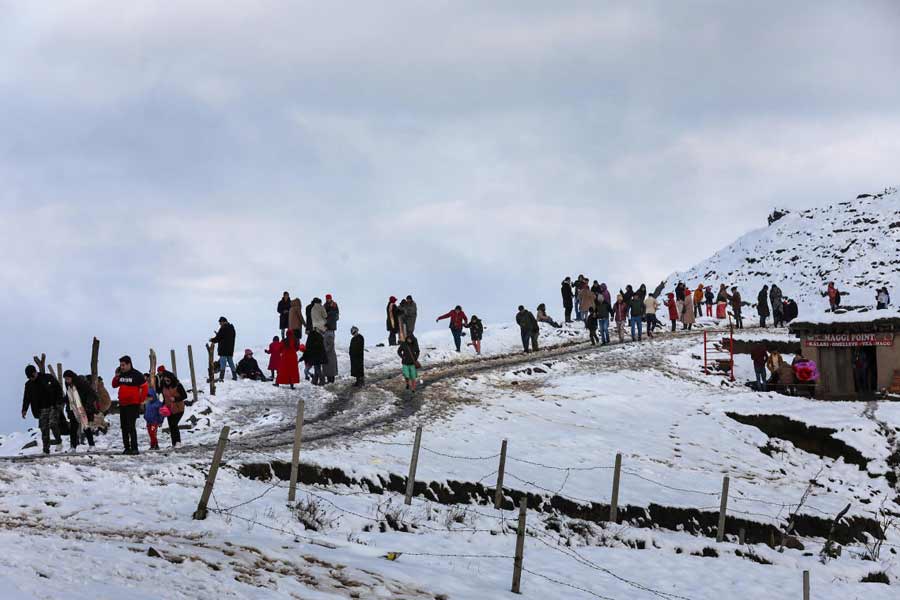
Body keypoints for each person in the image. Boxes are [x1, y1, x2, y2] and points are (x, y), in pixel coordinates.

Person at [22, 365, 63, 454]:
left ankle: (59, 442)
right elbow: (26, 398)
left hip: (53, 406)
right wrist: (24, 409)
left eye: (32, 376)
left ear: (35, 372)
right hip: (41, 410)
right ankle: (46, 449)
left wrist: (59, 402)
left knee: (52, 424)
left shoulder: (47, 377)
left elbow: (58, 389)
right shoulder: (28, 385)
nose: (31, 378)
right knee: (44, 428)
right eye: (29, 377)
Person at [111, 355, 148, 455]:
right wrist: (116, 376)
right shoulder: (121, 375)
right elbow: (114, 385)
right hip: (123, 404)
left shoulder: (137, 375)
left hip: (133, 404)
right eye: (121, 365)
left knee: (131, 426)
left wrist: (141, 400)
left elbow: (145, 387)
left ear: (129, 364)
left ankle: (134, 448)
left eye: (123, 365)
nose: (122, 367)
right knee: (124, 427)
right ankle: (126, 448)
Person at [62, 370, 97, 450]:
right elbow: (69, 396)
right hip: (73, 409)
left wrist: (87, 404)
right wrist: (62, 400)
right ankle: (73, 446)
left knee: (86, 426)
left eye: (68, 379)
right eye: (65, 379)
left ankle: (92, 445)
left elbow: (91, 394)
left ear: (72, 377)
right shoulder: (68, 385)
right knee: (73, 428)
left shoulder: (81, 383)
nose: (66, 380)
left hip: (82, 408)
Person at [157, 367, 187, 447]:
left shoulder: (178, 385)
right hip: (169, 408)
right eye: (165, 380)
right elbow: (164, 398)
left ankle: (178, 442)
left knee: (174, 424)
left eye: (168, 380)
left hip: (179, 408)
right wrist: (163, 406)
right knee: (171, 425)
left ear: (171, 379)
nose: (166, 382)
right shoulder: (163, 386)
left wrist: (175, 398)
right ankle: (174, 443)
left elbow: (184, 396)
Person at [209, 316, 237, 381]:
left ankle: (221, 378)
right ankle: (235, 376)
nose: (220, 324)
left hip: (223, 349)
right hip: (230, 349)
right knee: (231, 362)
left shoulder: (223, 328)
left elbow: (219, 337)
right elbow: (224, 337)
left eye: (220, 322)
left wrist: (212, 340)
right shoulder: (232, 328)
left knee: (222, 363)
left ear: (223, 322)